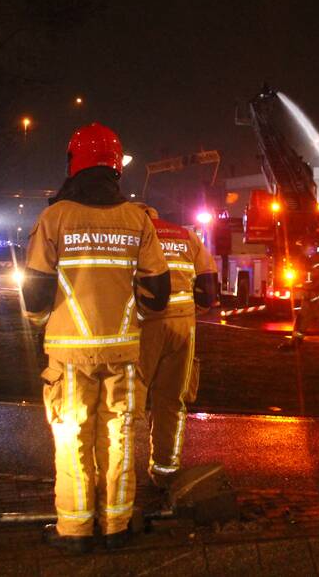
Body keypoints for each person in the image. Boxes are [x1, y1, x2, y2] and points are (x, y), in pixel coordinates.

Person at [22, 122, 169, 553]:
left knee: (72, 438)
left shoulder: (55, 218)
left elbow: (35, 294)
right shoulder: (137, 219)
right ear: (115, 166)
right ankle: (116, 526)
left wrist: (40, 323)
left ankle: (75, 530)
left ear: (74, 163)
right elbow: (157, 293)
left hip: (69, 353)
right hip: (122, 351)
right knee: (119, 436)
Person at [133, 202, 217, 489]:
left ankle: (118, 472)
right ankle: (165, 470)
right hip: (183, 327)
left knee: (128, 400)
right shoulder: (185, 235)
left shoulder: (133, 233)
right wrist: (193, 311)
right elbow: (208, 286)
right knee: (171, 399)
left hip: (144, 325)